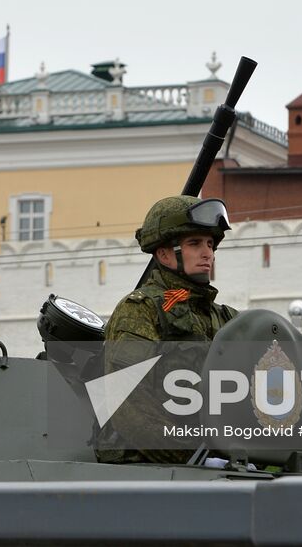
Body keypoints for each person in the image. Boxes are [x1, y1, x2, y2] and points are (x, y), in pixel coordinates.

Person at [96, 195, 236, 464]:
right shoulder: (140, 310)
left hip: (217, 464)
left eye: (210, 243)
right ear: (164, 253)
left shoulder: (224, 318)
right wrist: (193, 457)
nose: (208, 253)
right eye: (194, 243)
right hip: (149, 471)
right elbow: (128, 400)